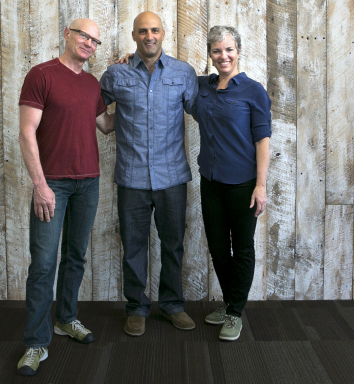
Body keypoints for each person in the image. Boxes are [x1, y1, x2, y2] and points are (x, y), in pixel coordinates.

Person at [17, 18, 114, 376]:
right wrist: (40, 185)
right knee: (43, 264)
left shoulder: (91, 84)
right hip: (53, 184)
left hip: (88, 182)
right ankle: (35, 343)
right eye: (83, 35)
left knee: (75, 257)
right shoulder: (41, 75)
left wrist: (133, 86)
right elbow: (27, 132)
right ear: (67, 35)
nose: (89, 43)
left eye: (95, 40)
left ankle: (66, 319)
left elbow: (105, 125)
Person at [99, 11, 198, 337]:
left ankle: (173, 305)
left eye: (154, 30)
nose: (149, 36)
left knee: (173, 245)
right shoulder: (116, 74)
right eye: (143, 31)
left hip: (172, 178)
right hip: (132, 178)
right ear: (134, 35)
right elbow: (91, 105)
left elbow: (203, 107)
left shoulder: (184, 73)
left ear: (163, 33)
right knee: (134, 246)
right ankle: (137, 307)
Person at [196, 26, 271, 341]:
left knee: (241, 248)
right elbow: (164, 71)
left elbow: (263, 142)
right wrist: (133, 60)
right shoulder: (202, 86)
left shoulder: (254, 91)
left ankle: (235, 312)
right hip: (210, 181)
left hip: (243, 184)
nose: (223, 56)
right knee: (216, 247)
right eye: (216, 50)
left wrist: (261, 185)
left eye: (228, 49)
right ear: (210, 55)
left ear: (238, 51)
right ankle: (230, 304)